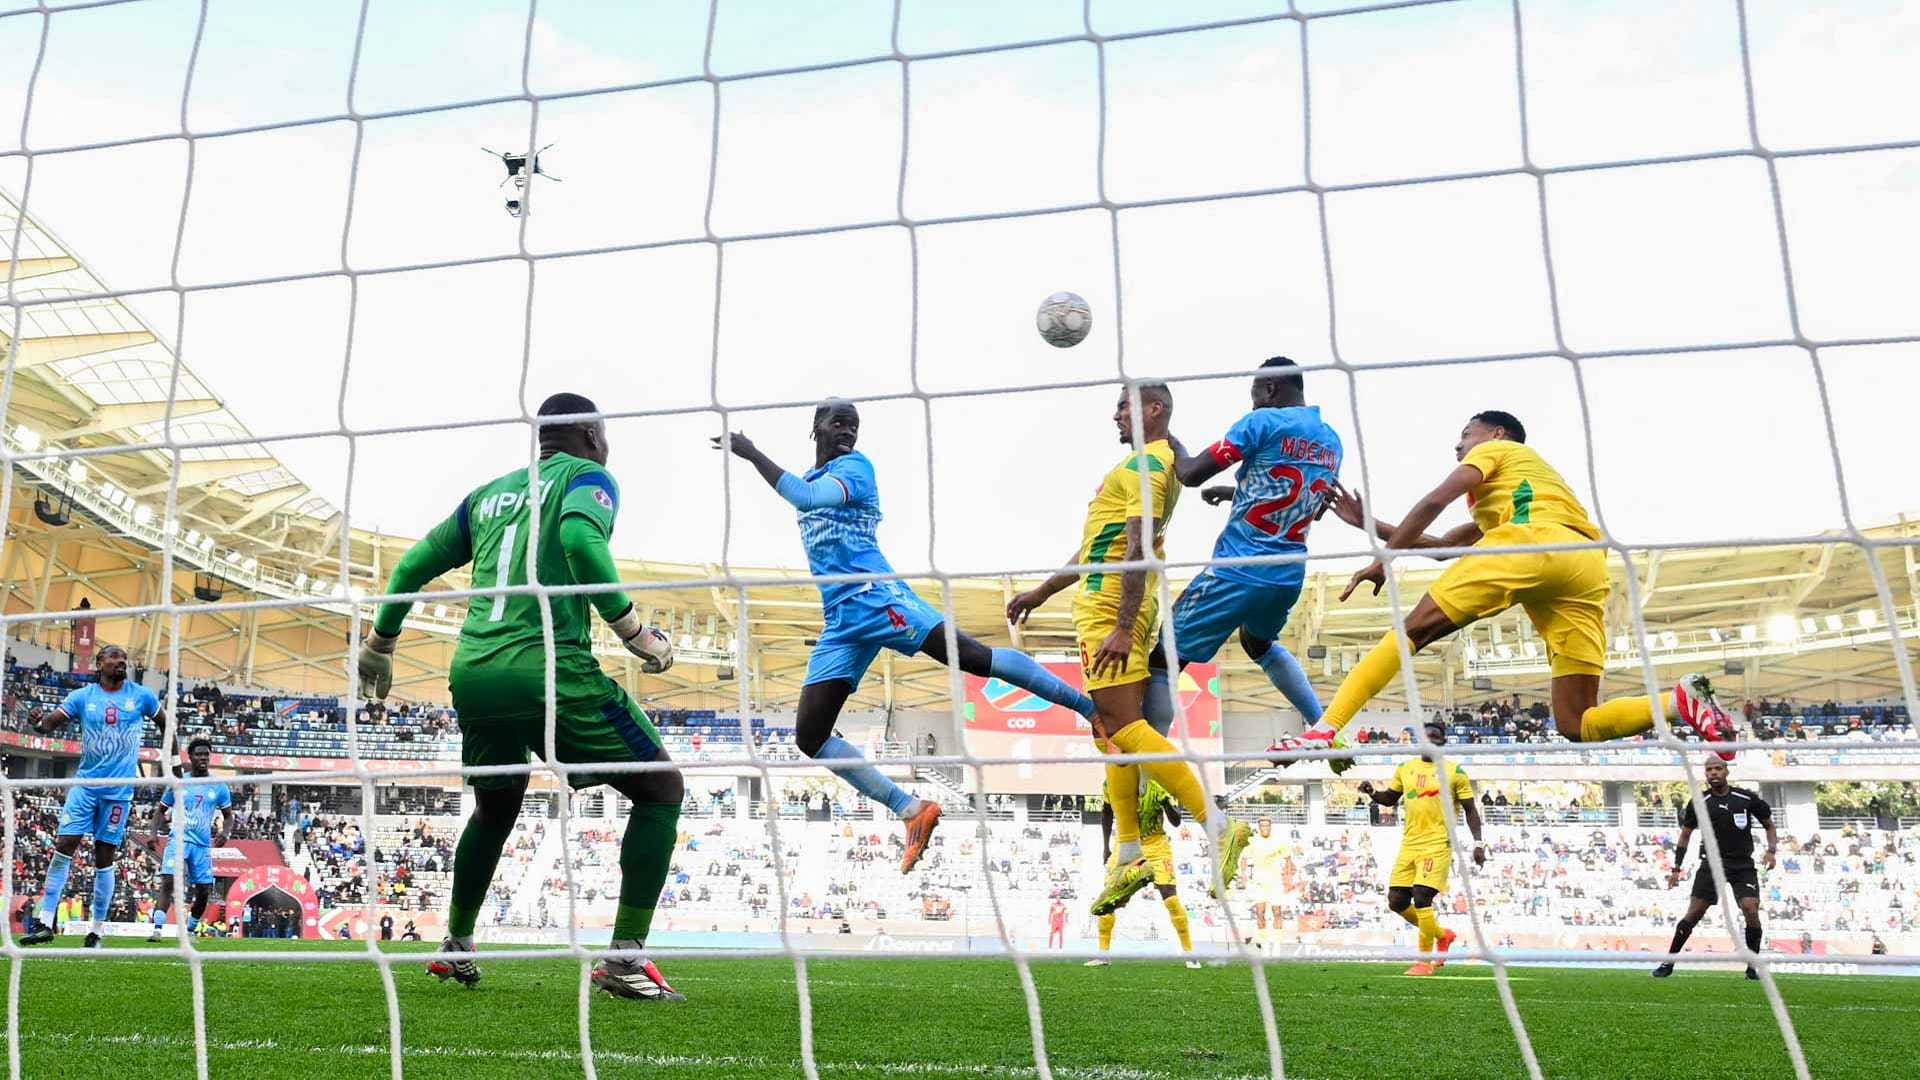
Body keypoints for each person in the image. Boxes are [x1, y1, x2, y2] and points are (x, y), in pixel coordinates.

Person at [358, 392, 685, 1002]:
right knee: (663, 788)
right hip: (549, 672)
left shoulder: (488, 495)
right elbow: (582, 544)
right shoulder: (589, 476)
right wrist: (635, 631)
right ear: (590, 435)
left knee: (495, 807)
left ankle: (455, 946)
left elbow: (408, 568)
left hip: (474, 671)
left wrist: (381, 643)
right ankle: (625, 959)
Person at [717, 398, 1098, 873]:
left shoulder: (855, 469)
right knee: (809, 736)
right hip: (841, 619)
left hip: (880, 598)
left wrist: (751, 452)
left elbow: (805, 500)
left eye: (854, 426)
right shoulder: (812, 476)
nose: (848, 432)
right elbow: (805, 492)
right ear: (815, 427)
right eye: (839, 423)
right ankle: (911, 809)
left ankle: (1090, 710)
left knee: (973, 659)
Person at [1271, 411, 1737, 767]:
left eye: (1466, 433)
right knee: (1576, 723)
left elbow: (1435, 499)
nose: (1458, 444)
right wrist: (1366, 524)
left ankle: (1326, 729)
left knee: (1409, 632)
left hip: (1531, 544)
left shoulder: (1499, 453)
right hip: (1584, 566)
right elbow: (1443, 550)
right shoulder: (1523, 488)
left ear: (1496, 434)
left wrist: (1382, 561)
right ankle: (1677, 702)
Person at [1006, 383, 1249, 915]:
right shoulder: (1155, 461)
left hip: (1112, 606)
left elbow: (1135, 548)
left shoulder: (1146, 467)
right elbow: (1102, 545)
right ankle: (1130, 853)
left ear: (1153, 409)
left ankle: (1219, 825)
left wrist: (1118, 625)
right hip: (1126, 604)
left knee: (1119, 725)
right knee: (1111, 732)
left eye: (1124, 405)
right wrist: (1043, 590)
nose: (1114, 414)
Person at [1144, 357, 1341, 745]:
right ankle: (1325, 729)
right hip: (1287, 574)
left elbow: (1190, 473)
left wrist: (1170, 438)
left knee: (1164, 659)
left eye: (1255, 395)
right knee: (1258, 643)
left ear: (1270, 389)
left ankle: (1151, 775)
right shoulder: (1330, 440)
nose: (1252, 404)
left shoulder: (1261, 423)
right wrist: (1238, 494)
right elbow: (1307, 505)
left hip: (1236, 570)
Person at [20, 644, 163, 948]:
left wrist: (174, 769)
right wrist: (37, 721)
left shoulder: (142, 695)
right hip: (85, 786)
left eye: (124, 658)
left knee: (104, 857)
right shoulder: (83, 697)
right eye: (113, 658)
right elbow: (48, 725)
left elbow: (167, 724)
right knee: (64, 844)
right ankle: (45, 923)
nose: (121, 662)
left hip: (119, 794)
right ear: (99, 664)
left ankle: (96, 931)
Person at [1356, 719, 1485, 976]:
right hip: (1409, 843)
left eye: (1436, 738)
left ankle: (1424, 962)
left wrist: (1478, 843)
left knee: (1422, 896)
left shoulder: (1455, 772)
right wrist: (1372, 792)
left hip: (1438, 843)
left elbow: (1471, 810)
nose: (1431, 742)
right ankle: (1442, 935)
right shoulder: (1405, 768)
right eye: (1427, 738)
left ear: (1443, 742)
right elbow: (1389, 799)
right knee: (1396, 901)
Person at [1653, 758, 1777, 980]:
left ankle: (1752, 965)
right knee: (1694, 913)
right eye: (1709, 770)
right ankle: (1668, 962)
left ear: (1726, 771)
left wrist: (1771, 851)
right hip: (1711, 864)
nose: (1713, 773)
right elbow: (1685, 835)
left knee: (1750, 908)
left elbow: (1769, 824)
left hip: (1742, 865)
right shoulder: (1700, 801)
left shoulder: (1746, 798)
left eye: (1718, 768)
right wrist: (1676, 868)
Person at [1087, 777, 1200, 969]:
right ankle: (1103, 955)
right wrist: (1105, 847)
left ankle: (1189, 954)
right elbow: (1106, 813)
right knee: (1109, 895)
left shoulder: (1158, 784)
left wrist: (1165, 802)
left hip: (1156, 845)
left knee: (1170, 898)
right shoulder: (1111, 783)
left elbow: (1176, 821)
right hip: (1125, 844)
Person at [148, 738, 232, 942]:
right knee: (168, 882)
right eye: (199, 754)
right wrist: (152, 834)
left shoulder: (218, 786)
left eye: (206, 755)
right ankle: (157, 929)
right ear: (190, 757)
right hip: (178, 840)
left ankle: (190, 931)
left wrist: (225, 833)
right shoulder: (179, 781)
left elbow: (228, 815)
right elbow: (161, 810)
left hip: (202, 846)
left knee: (203, 890)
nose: (203, 758)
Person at [1240, 816, 1288, 954]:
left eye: (1267, 826)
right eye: (1263, 826)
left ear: (1270, 826)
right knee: (1260, 913)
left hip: (1275, 882)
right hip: (1259, 882)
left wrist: (1288, 878)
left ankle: (1277, 945)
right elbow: (1243, 859)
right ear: (1259, 827)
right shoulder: (1252, 842)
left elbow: (1288, 858)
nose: (1265, 828)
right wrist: (1243, 876)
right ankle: (1265, 944)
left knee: (1277, 912)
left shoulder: (1278, 841)